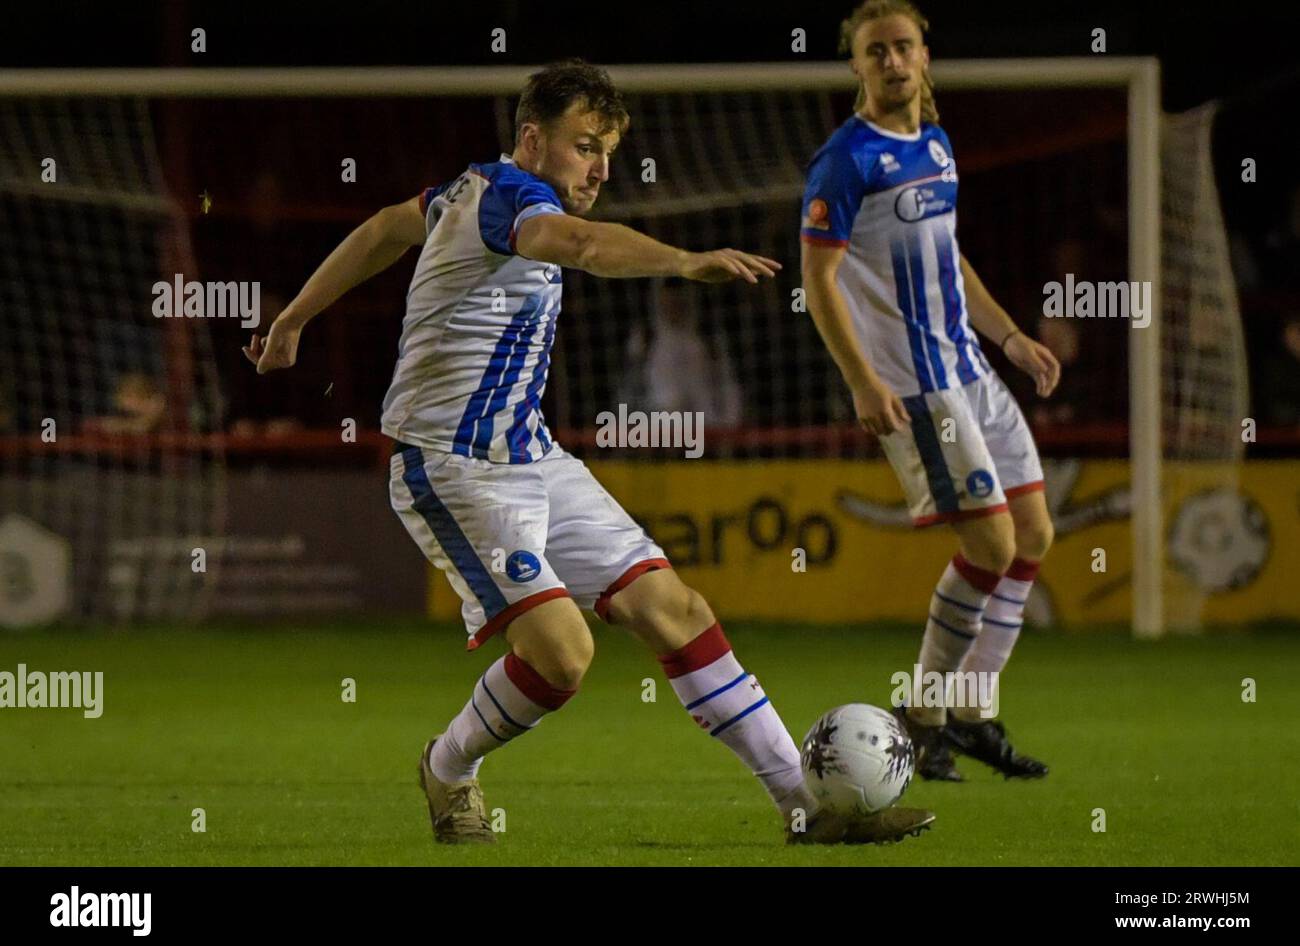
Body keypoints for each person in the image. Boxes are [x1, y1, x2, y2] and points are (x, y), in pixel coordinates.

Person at [245, 59, 932, 844]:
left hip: (531, 455)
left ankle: (804, 808)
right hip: (452, 466)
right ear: (532, 140)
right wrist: (681, 260)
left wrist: (294, 317)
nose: (601, 168)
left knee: (676, 611)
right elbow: (580, 245)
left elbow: (382, 229)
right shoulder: (510, 198)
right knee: (563, 656)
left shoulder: (462, 193)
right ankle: (447, 766)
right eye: (584, 146)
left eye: (608, 150)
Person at [801, 2, 1059, 781]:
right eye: (874, 51)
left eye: (902, 46)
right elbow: (819, 280)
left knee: (1035, 537)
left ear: (923, 55)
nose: (891, 61)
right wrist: (862, 379)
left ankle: (972, 712)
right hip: (919, 390)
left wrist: (1010, 337)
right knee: (991, 543)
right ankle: (923, 714)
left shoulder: (937, 145)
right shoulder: (845, 161)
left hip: (973, 374)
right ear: (857, 66)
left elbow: (949, 260)